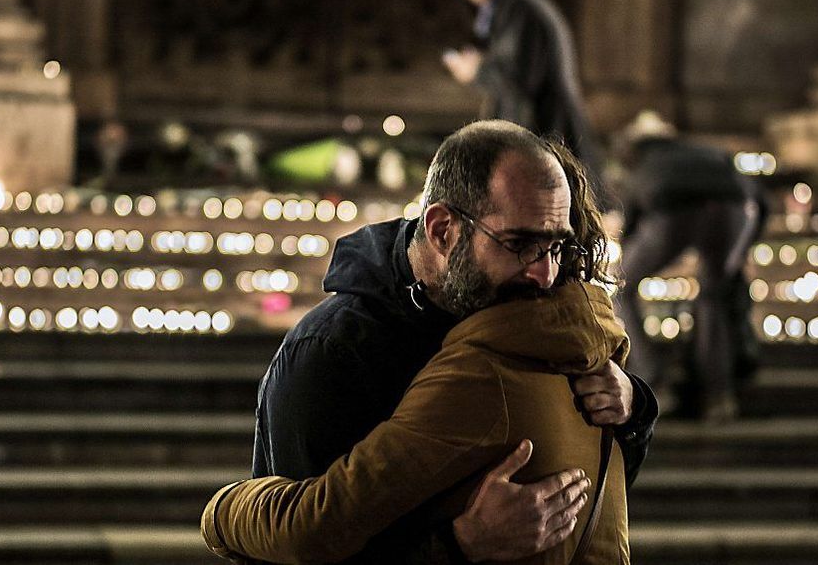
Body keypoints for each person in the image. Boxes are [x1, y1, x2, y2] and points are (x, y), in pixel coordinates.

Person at [233, 120, 657, 563]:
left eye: (555, 247)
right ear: (441, 230)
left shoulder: (530, 315)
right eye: (520, 244)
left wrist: (632, 407)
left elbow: (598, 493)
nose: (545, 273)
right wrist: (460, 545)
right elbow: (299, 548)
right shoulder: (333, 352)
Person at [204, 281, 632, 564]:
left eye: (549, 246)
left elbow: (316, 526)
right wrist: (638, 401)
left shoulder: (482, 372)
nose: (541, 268)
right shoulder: (587, 348)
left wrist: (221, 514)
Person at [611, 111, 764, 424]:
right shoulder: (701, 152)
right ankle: (718, 396)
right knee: (712, 296)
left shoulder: (644, 163)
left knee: (620, 284)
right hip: (735, 210)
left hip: (675, 213)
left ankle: (654, 381)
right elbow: (760, 200)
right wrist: (741, 251)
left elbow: (632, 220)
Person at [442, 0, 599, 173]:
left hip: (547, 138)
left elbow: (519, 79)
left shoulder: (520, 9)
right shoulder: (516, 7)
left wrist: (476, 70)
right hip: (546, 138)